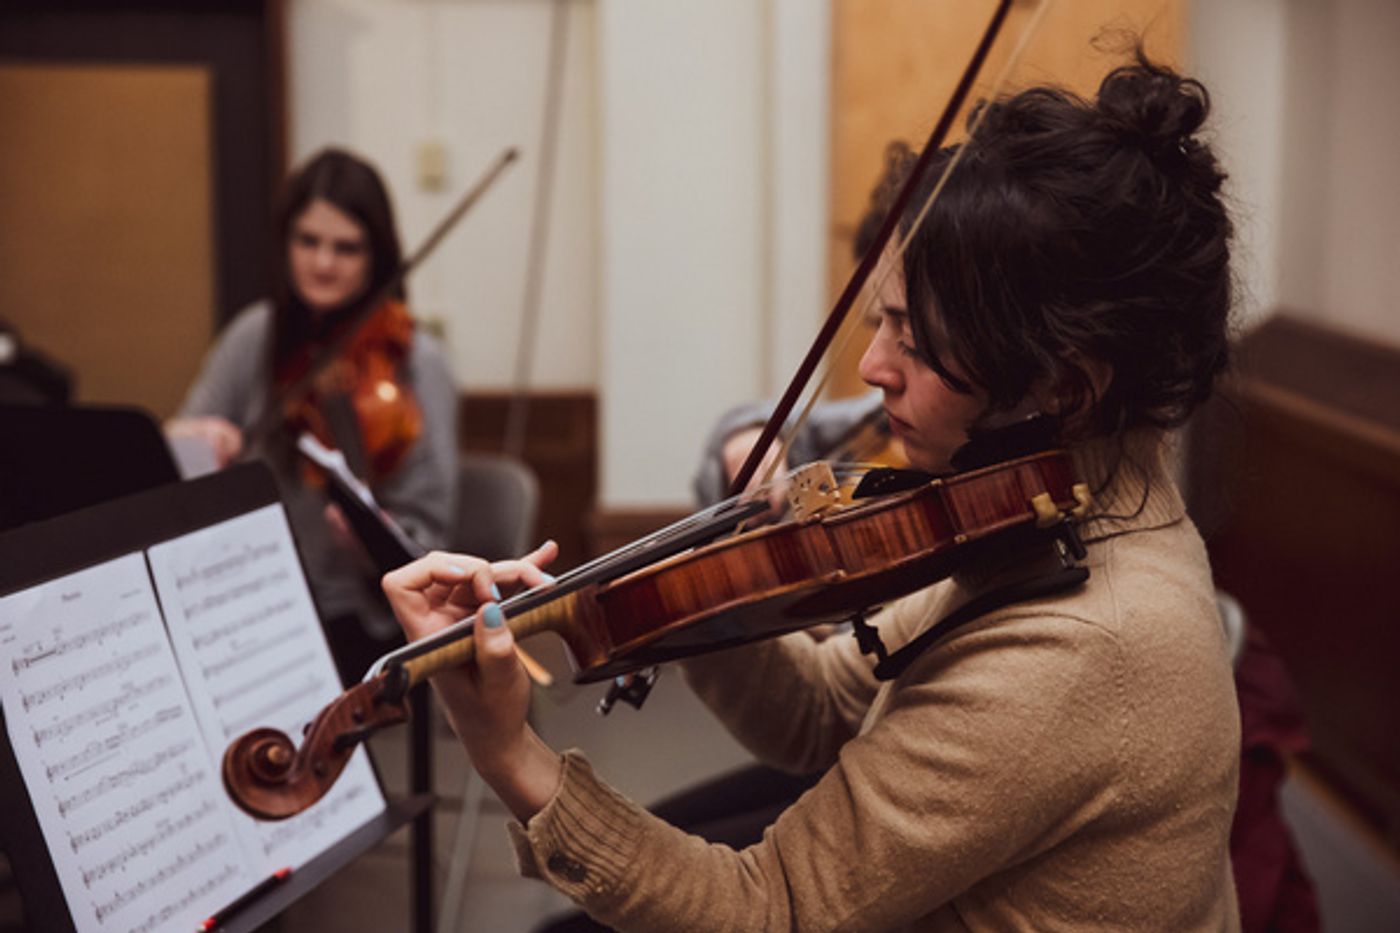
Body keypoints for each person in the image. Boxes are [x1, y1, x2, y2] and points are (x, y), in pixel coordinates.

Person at [384, 53, 1241, 930]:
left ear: (1066, 384)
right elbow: (828, 707)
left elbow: (773, 909)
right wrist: (684, 590)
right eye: (881, 323)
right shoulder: (1053, 511)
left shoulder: (1086, 644)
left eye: (913, 338)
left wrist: (507, 753)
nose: (872, 368)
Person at [167, 148, 458, 682]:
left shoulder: (416, 362)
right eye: (308, 241)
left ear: (377, 255)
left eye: (345, 247)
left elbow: (429, 534)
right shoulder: (256, 334)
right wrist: (194, 439)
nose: (323, 263)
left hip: (361, 613)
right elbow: (179, 445)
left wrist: (372, 538)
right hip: (250, 596)